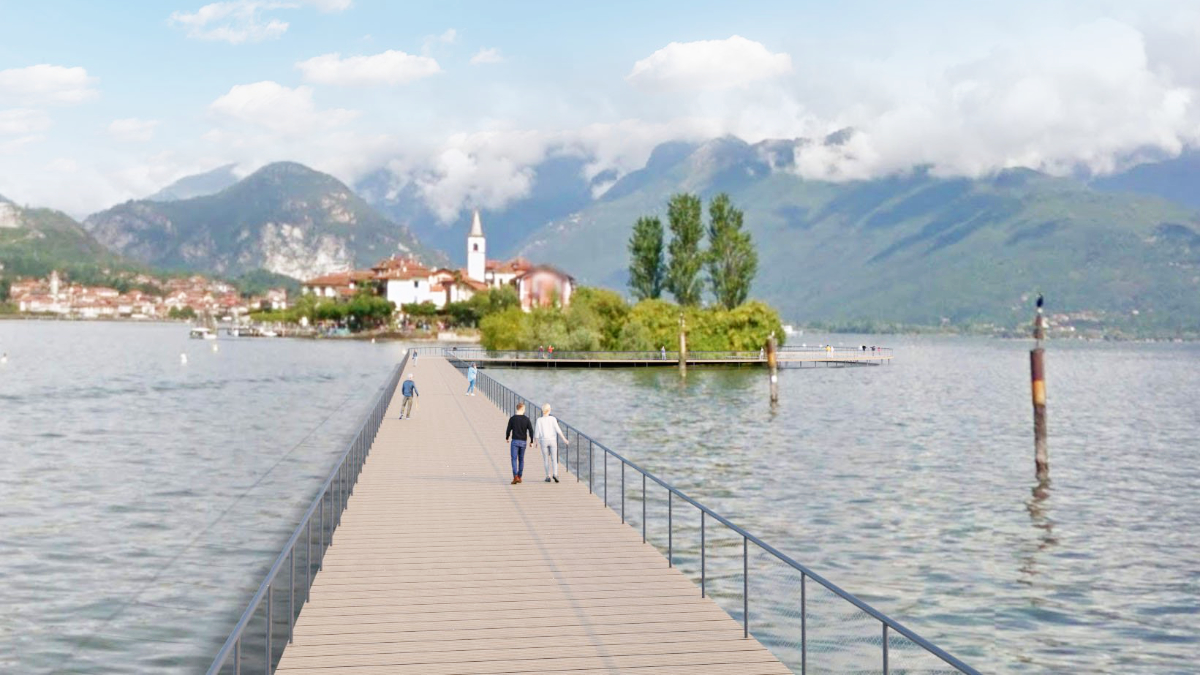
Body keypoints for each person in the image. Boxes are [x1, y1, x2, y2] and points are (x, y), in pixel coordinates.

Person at [534, 403, 568, 483]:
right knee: (554, 458)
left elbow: (536, 433)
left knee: (545, 459)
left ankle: (547, 476)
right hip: (552, 440)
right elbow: (558, 430)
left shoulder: (539, 420)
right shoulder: (553, 419)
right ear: (549, 410)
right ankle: (555, 474)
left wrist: (536, 442)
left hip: (543, 441)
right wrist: (564, 439)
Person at [505, 402, 533, 484]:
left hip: (515, 441)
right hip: (523, 441)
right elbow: (531, 430)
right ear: (523, 409)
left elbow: (508, 429)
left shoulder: (512, 418)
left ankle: (515, 476)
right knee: (521, 459)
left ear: (517, 409)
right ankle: (520, 476)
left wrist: (507, 437)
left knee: (513, 459)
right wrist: (531, 441)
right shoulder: (526, 419)